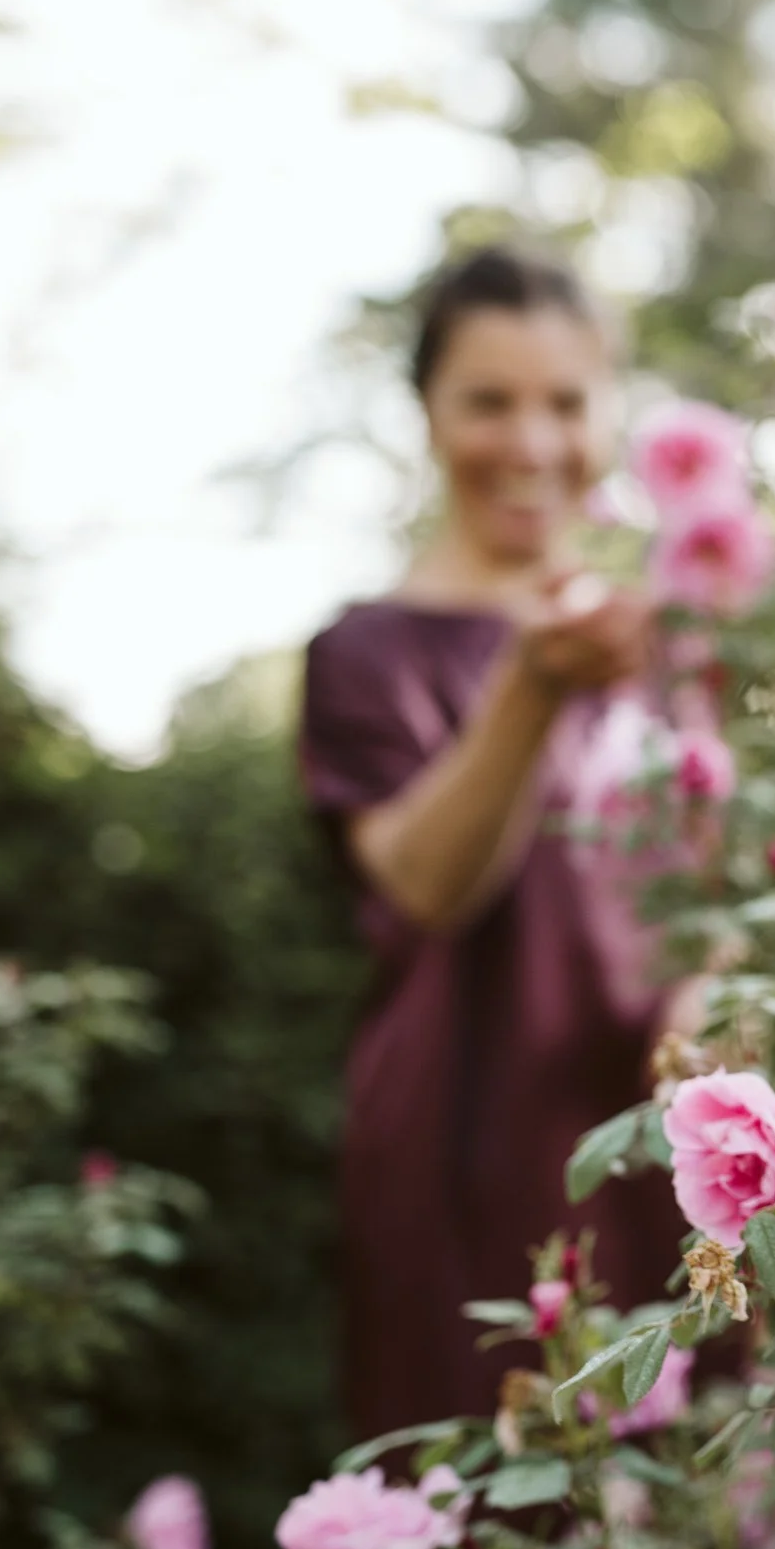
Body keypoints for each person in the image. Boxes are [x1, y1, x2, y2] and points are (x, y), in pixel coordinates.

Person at [297, 246, 690, 1439]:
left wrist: (713, 1014)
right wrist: (529, 682)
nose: (531, 443)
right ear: (427, 413)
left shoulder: (664, 648)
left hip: (653, 1143)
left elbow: (707, 895)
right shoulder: (366, 653)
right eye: (489, 400)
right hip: (464, 1152)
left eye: (566, 403)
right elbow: (424, 881)